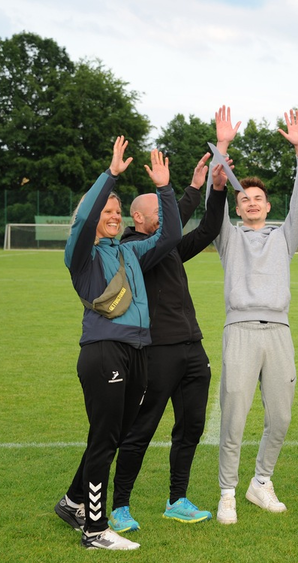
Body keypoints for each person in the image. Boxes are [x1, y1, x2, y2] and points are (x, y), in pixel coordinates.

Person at [54, 138, 182, 550]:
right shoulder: (81, 256)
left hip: (137, 352)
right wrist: (109, 177)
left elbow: (172, 235)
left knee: (113, 436)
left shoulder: (130, 251)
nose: (113, 216)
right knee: (105, 439)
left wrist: (165, 188)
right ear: (93, 217)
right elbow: (84, 219)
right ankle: (95, 530)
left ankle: (73, 501)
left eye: (117, 211)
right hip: (104, 351)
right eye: (107, 211)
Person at [108, 152, 228, 533]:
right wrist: (188, 189)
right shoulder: (132, 248)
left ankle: (177, 500)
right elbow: (172, 230)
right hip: (156, 353)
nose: (165, 217)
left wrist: (214, 191)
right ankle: (119, 506)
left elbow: (207, 229)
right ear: (138, 219)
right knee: (140, 431)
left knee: (191, 427)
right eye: (157, 212)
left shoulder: (169, 245)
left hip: (193, 347)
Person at [210, 105, 298, 525]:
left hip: (279, 332)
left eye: (257, 199)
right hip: (240, 330)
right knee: (234, 415)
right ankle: (228, 492)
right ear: (237, 208)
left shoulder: (283, 237)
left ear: (268, 205)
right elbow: (212, 204)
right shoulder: (228, 238)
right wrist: (222, 146)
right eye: (243, 199)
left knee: (282, 416)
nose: (251, 204)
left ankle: (261, 482)